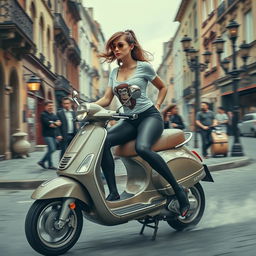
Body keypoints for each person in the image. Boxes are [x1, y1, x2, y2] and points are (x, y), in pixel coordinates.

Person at [95, 29, 189, 217]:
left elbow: (162, 87)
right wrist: (87, 107)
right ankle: (113, 192)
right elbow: (106, 99)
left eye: (120, 45)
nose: (116, 49)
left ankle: (179, 191)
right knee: (102, 142)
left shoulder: (143, 67)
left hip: (149, 117)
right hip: (129, 120)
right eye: (113, 46)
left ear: (131, 46)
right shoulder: (114, 72)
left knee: (143, 148)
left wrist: (158, 104)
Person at [37, 101, 62, 170]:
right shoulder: (43, 115)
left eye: (52, 106)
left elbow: (59, 123)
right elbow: (50, 125)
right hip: (47, 135)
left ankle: (50, 165)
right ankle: (42, 161)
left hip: (53, 135)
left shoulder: (53, 115)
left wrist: (54, 124)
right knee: (53, 149)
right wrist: (54, 123)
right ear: (45, 107)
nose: (51, 107)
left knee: (50, 149)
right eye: (49, 106)